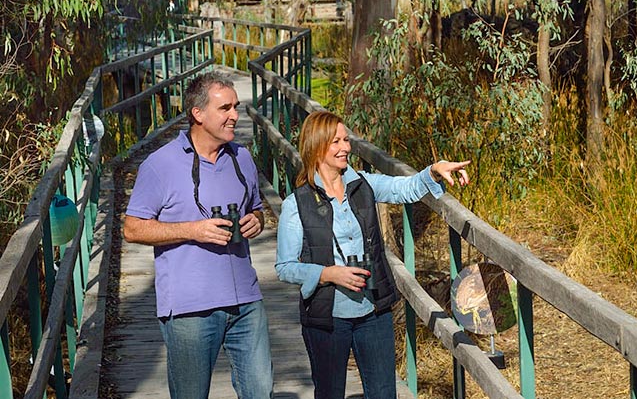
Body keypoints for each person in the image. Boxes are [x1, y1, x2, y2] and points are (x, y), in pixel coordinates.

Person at [275, 110, 470, 399]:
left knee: (383, 393)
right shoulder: (297, 204)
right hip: (327, 317)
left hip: (373, 310)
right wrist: (328, 274)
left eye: (346, 140)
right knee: (329, 393)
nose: (346, 148)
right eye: (337, 142)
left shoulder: (362, 184)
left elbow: (404, 189)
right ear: (316, 146)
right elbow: (285, 267)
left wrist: (432, 171)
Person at [123, 72, 273, 399]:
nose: (235, 115)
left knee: (261, 391)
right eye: (225, 108)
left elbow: (257, 208)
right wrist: (194, 230)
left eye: (236, 106)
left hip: (246, 301)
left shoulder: (242, 158)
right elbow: (132, 228)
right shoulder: (159, 165)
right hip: (190, 309)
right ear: (198, 114)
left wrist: (255, 222)